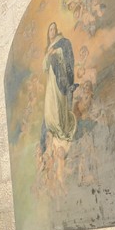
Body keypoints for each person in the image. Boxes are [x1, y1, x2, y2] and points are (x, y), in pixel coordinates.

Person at [40, 21, 78, 152]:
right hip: (51, 80)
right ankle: (54, 129)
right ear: (48, 33)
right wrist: (49, 54)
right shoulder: (48, 48)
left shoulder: (62, 42)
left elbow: (66, 55)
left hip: (60, 79)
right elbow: (44, 66)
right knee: (50, 105)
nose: (52, 31)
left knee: (59, 103)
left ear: (56, 31)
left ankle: (61, 129)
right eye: (50, 29)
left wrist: (56, 51)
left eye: (54, 29)